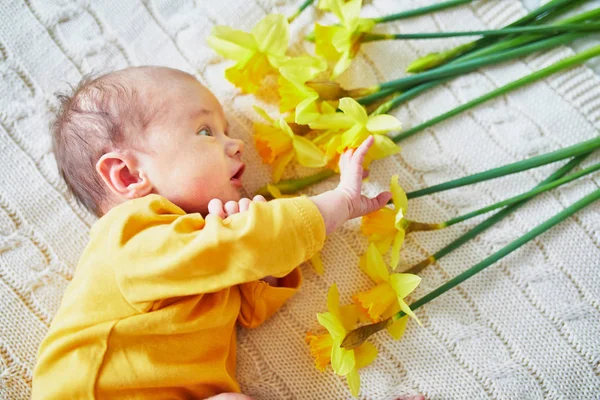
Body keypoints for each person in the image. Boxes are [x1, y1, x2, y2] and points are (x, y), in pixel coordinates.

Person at [32, 66, 395, 399]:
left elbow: (249, 309)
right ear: (128, 176)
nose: (235, 144)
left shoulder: (201, 245)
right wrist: (339, 204)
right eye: (205, 131)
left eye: (227, 131)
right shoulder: (129, 233)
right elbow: (244, 247)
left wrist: (260, 268)